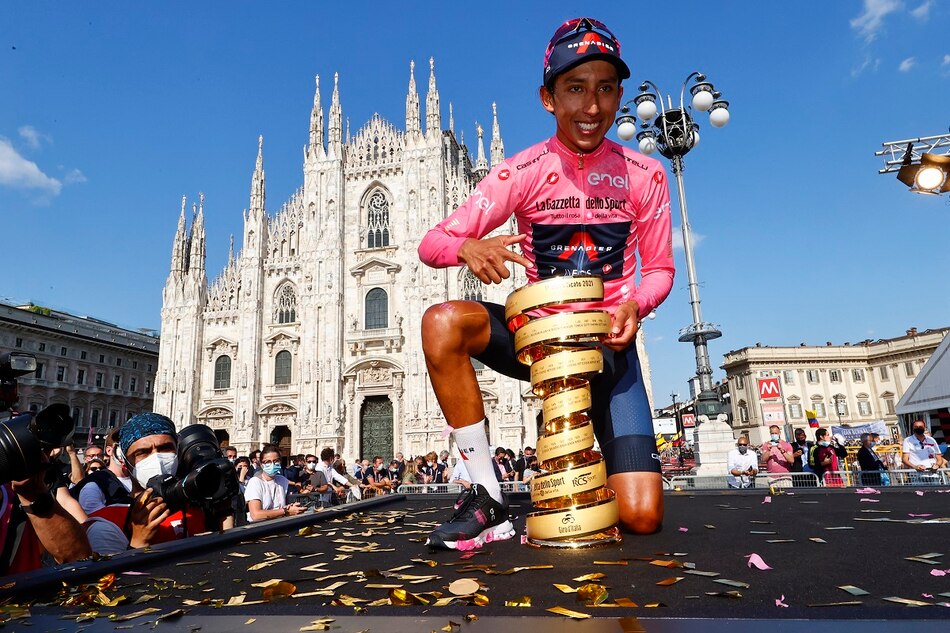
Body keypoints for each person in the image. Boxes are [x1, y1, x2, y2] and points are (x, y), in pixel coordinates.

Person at [418, 17, 672, 549]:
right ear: (548, 99)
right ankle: (487, 495)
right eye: (575, 89)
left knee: (642, 517)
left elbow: (662, 270)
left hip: (607, 351)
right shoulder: (523, 170)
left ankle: (582, 458)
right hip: (539, 345)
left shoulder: (646, 175)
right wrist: (468, 246)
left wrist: (637, 306)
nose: (592, 106)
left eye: (605, 88)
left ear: (621, 94)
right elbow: (432, 243)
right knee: (442, 324)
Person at [71, 429, 134, 514]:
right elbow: (95, 522)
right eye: (124, 445)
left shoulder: (141, 480)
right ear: (109, 450)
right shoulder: (95, 484)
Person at [244, 445, 306, 522]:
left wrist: (290, 507)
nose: (272, 465)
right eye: (268, 462)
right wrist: (285, 511)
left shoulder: (282, 480)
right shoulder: (255, 482)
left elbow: (281, 505)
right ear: (261, 464)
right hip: (259, 528)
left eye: (276, 461)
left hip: (279, 525)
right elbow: (256, 515)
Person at [901, 420, 947, 484]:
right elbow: (904, 459)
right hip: (917, 475)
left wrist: (937, 465)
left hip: (933, 475)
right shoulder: (908, 440)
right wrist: (915, 467)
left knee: (935, 493)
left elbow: (939, 458)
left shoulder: (931, 440)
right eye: (916, 427)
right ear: (913, 428)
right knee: (919, 493)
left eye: (920, 426)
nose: (918, 428)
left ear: (924, 428)